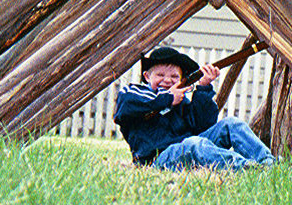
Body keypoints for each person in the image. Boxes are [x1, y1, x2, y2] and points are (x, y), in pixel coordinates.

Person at [114, 46, 277, 170]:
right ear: (147, 76)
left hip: (188, 146)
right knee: (194, 144)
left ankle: (268, 163)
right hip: (157, 160)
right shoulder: (134, 93)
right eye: (160, 75)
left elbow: (203, 126)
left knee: (231, 124)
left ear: (181, 79)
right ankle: (247, 168)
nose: (167, 80)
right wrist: (168, 99)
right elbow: (126, 106)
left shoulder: (181, 102)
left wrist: (204, 88)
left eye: (174, 76)